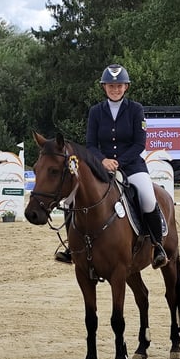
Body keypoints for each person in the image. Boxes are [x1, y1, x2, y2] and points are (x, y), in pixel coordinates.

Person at [55, 63, 168, 269]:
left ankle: (157, 245)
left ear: (126, 87)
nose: (115, 89)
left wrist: (119, 162)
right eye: (110, 86)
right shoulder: (96, 112)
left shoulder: (136, 109)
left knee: (148, 197)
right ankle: (71, 247)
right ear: (104, 87)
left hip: (132, 166)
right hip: (101, 168)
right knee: (72, 197)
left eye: (119, 86)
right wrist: (102, 161)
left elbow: (139, 144)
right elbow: (90, 144)